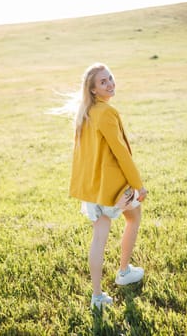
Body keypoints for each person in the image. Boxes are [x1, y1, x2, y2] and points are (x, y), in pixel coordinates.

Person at [69, 63, 147, 310]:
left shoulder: (86, 112)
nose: (110, 83)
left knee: (102, 235)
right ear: (93, 90)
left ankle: (99, 295)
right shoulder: (106, 113)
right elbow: (121, 152)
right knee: (130, 220)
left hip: (94, 188)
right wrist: (138, 185)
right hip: (113, 187)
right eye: (103, 82)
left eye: (110, 78)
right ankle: (120, 275)